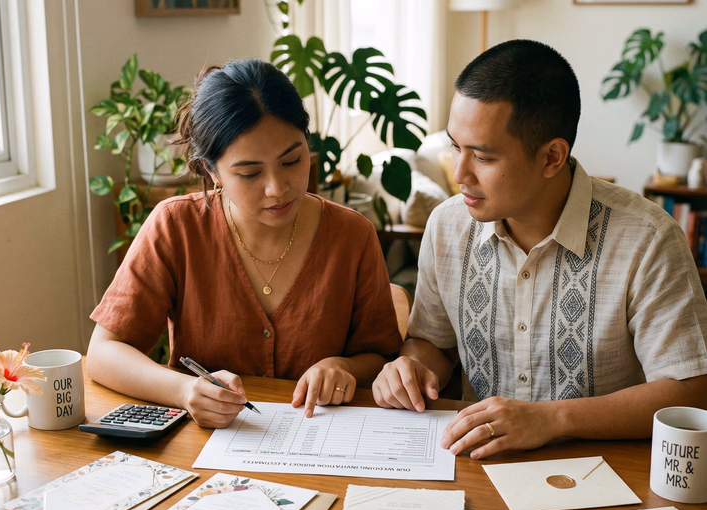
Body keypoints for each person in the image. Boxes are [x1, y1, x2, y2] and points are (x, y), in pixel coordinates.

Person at [373, 39, 707, 459]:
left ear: (552, 157)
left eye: (483, 157)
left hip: (607, 475)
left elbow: (690, 393)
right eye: (456, 147)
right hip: (478, 465)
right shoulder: (446, 225)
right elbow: (435, 344)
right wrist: (412, 369)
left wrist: (551, 419)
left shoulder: (648, 239)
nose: (459, 174)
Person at [88, 59, 402, 428]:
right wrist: (184, 391)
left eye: (293, 160)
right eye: (250, 173)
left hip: (322, 446)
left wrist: (343, 366)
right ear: (211, 169)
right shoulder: (175, 226)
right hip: (205, 449)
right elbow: (103, 353)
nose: (277, 188)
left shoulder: (352, 235)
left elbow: (382, 356)